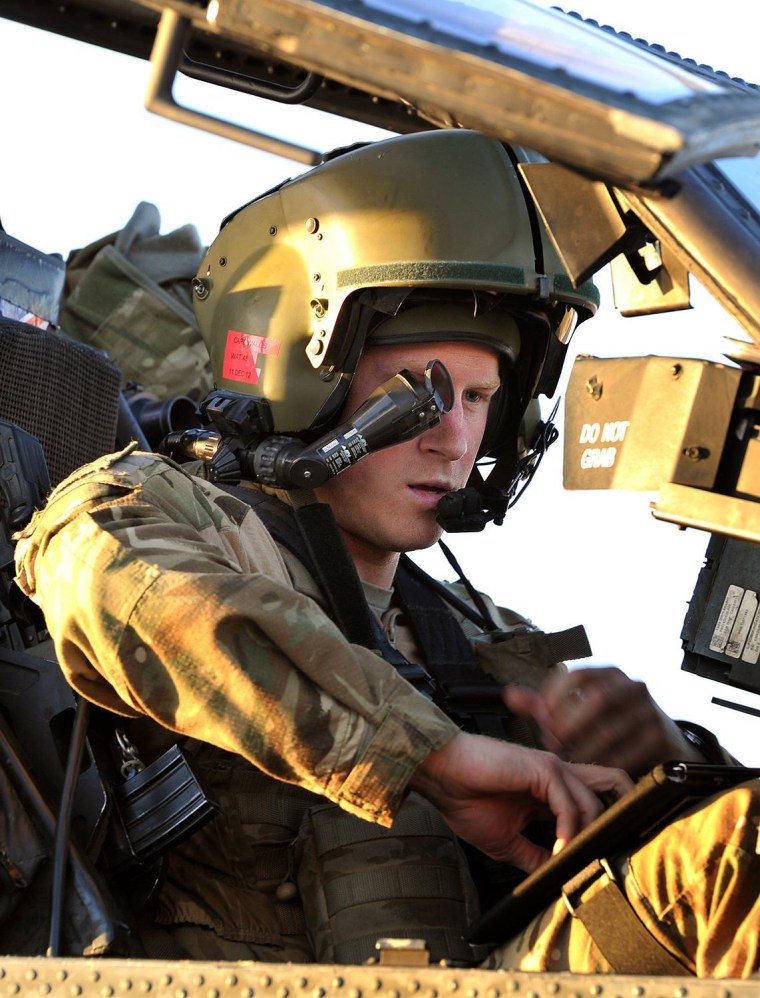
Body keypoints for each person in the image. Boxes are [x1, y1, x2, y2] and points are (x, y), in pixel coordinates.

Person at [14, 130, 758, 976]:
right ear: (305, 378)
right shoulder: (165, 521)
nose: (457, 440)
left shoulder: (486, 643)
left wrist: (672, 761)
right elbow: (94, 570)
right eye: (424, 394)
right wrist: (430, 758)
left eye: (481, 398)